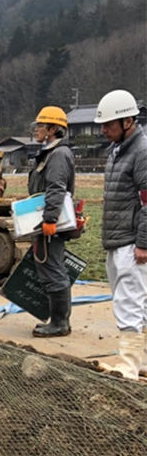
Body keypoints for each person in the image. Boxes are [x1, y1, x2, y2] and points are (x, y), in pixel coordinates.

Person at [95, 89, 147, 380]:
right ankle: (139, 362)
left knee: (130, 303)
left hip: (132, 243)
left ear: (128, 121)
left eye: (108, 125)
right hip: (118, 240)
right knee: (137, 302)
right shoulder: (118, 150)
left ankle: (128, 366)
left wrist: (143, 243)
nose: (103, 130)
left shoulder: (141, 152)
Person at [27, 106, 76, 337]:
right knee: (49, 268)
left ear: (53, 129)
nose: (36, 129)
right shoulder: (50, 152)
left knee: (53, 270)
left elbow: (56, 188)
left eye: (41, 125)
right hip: (45, 221)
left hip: (51, 224)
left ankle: (60, 323)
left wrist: (50, 219)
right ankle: (58, 320)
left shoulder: (58, 155)